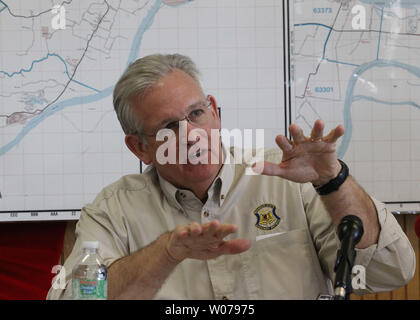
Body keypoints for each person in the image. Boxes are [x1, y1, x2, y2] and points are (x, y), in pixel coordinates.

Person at [47, 53, 415, 300]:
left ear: (216, 113)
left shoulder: (290, 180)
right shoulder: (112, 210)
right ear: (139, 148)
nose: (190, 134)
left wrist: (333, 182)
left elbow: (392, 271)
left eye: (196, 114)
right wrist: (166, 253)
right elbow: (73, 296)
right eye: (168, 126)